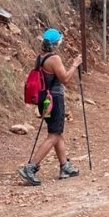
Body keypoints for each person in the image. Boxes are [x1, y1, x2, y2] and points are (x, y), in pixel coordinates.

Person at [18, 29, 83, 186]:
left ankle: (64, 167)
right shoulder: (54, 59)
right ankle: (31, 167)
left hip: (43, 100)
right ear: (56, 43)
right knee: (54, 135)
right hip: (54, 99)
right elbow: (65, 78)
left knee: (57, 132)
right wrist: (75, 65)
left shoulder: (40, 58)